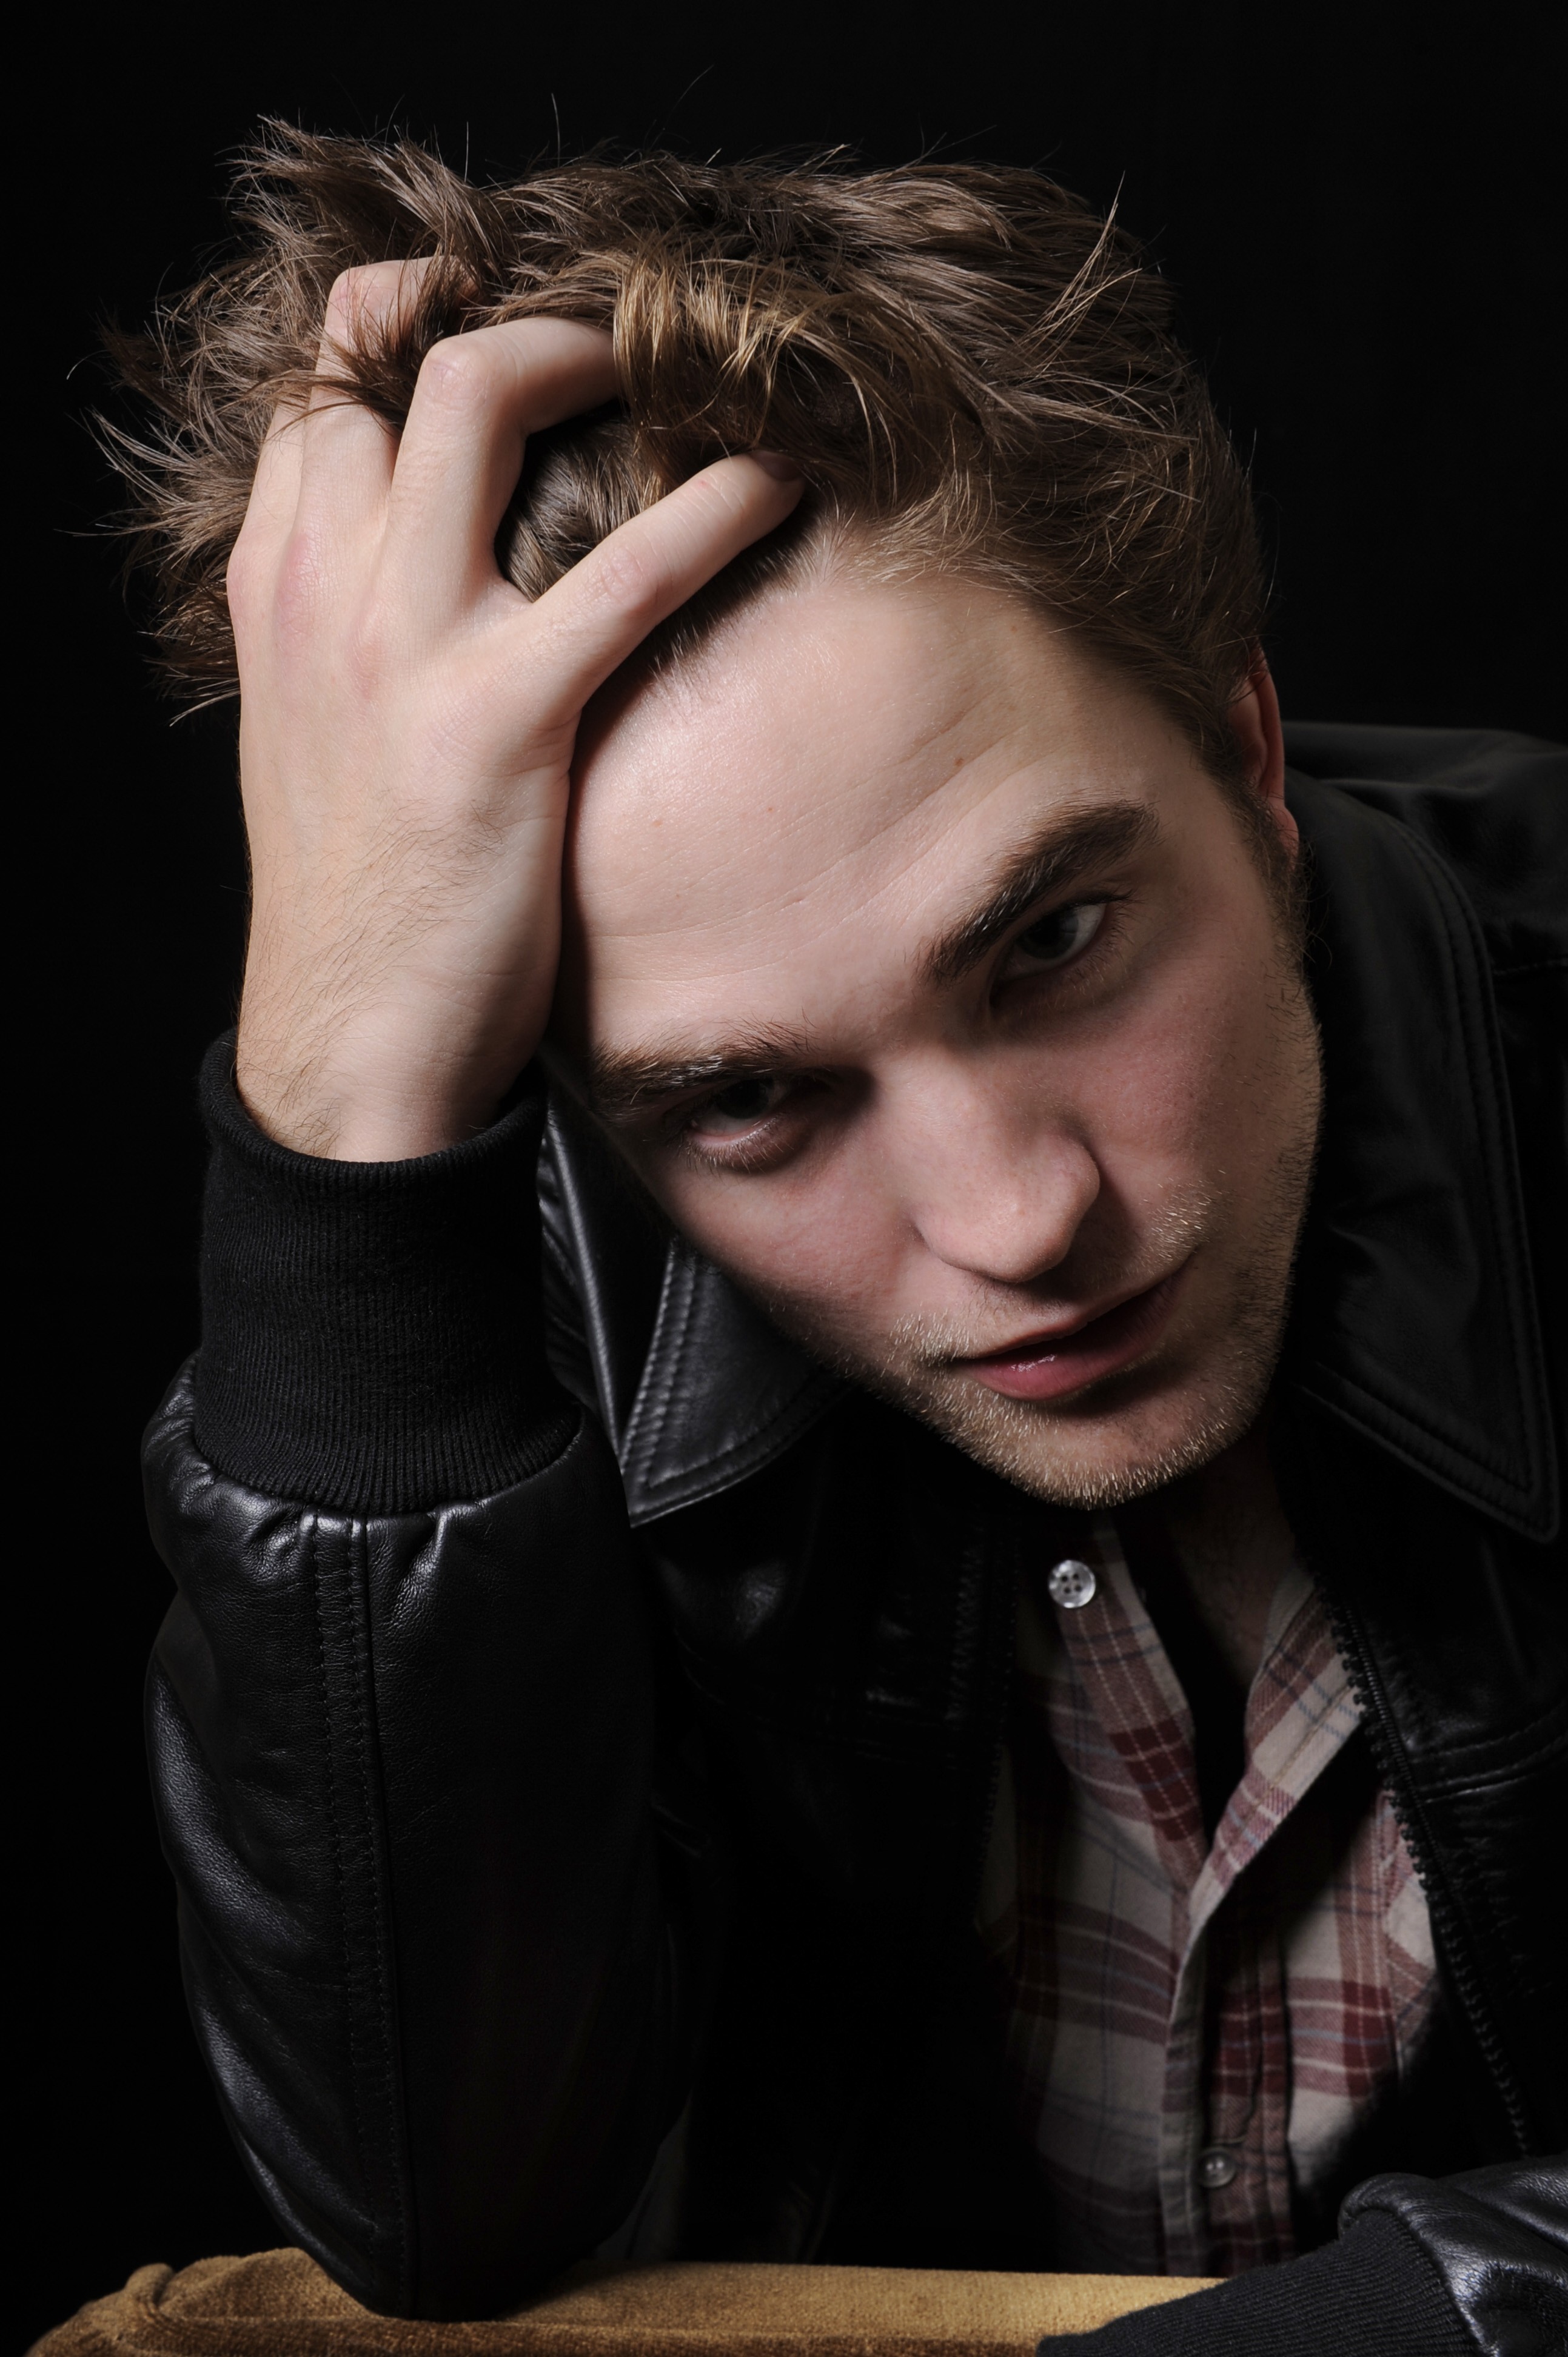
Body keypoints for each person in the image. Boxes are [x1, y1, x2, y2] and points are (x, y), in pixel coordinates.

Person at [116, 127, 1565, 2349]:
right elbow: (445, 2207)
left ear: (1244, 748)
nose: (1021, 1220)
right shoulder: (518, 1243)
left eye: (1054, 940)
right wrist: (337, 1143)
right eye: (748, 1100)